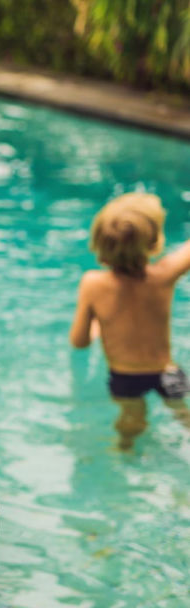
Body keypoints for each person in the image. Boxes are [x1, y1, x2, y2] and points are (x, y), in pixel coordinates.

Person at [69, 192, 190, 448]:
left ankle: (124, 449)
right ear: (155, 242)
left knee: (131, 420)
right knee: (184, 415)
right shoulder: (164, 275)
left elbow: (79, 342)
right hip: (166, 372)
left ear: (99, 243)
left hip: (125, 377)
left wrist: (96, 325)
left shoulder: (93, 284)